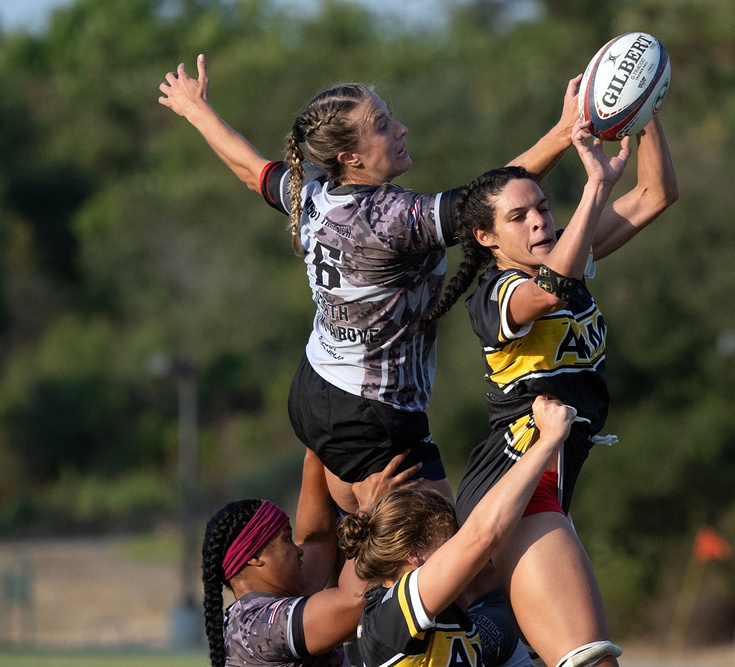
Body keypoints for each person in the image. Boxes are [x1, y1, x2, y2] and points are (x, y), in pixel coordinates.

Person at [158, 54, 581, 512]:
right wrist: (563, 133)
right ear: (350, 157)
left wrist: (196, 109)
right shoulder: (388, 218)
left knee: (371, 549)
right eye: (382, 125)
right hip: (372, 416)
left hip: (316, 388)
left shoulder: (314, 192)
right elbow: (492, 201)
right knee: (443, 566)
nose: (400, 129)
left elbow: (249, 169)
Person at [424, 107, 677, 667]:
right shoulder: (496, 293)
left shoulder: (568, 254)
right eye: (519, 216)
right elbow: (552, 293)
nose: (538, 221)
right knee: (592, 661)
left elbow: (656, 193)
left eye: (542, 207)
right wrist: (595, 186)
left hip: (546, 486)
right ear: (485, 237)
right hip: (516, 486)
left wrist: (645, 107)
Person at [338, 394, 578, 667]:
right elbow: (482, 536)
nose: (461, 555)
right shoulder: (389, 616)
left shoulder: (453, 620)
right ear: (414, 555)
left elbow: (510, 614)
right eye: (450, 543)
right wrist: (548, 440)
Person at [200, 449, 418, 667]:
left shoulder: (262, 608)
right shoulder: (258, 625)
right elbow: (353, 602)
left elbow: (319, 539)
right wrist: (368, 510)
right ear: (255, 556)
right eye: (287, 539)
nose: (298, 550)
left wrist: (316, 441)